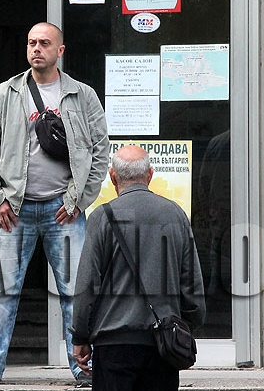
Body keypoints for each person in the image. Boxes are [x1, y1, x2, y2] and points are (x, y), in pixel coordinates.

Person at [0, 22, 109, 388]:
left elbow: (100, 153)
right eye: (31, 43)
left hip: (64, 210)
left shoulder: (82, 95)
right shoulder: (6, 93)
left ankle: (83, 368)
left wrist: (77, 200)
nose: (36, 48)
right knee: (3, 291)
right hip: (14, 210)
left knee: (76, 291)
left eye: (44, 43)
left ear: (60, 50)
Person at [69, 145, 206, 391]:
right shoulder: (175, 214)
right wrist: (188, 325)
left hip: (113, 345)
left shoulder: (102, 217)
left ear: (112, 177)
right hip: (162, 344)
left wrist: (80, 335)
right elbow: (191, 282)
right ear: (150, 175)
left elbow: (88, 283)